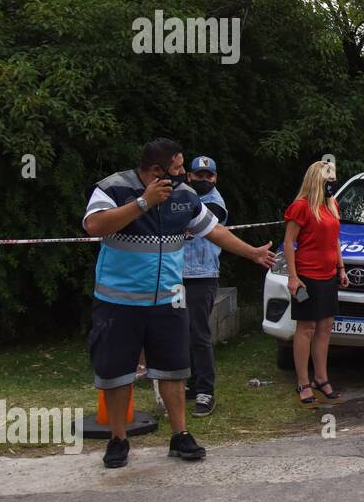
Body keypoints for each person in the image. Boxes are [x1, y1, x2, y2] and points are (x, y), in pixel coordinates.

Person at [83, 139, 275, 468]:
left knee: (173, 370)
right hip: (119, 302)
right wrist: (143, 203)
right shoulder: (112, 188)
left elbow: (214, 231)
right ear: (156, 171)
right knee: (117, 373)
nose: (184, 173)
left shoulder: (184, 196)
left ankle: (180, 435)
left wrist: (253, 253)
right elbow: (94, 226)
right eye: (177, 168)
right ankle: (118, 439)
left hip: (168, 301)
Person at [284, 160, 348, 406]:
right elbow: (289, 242)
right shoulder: (301, 207)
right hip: (307, 275)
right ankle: (302, 381)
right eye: (328, 179)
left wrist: (341, 268)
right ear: (316, 179)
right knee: (306, 328)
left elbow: (335, 240)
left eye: (333, 179)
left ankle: (321, 378)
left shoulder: (332, 205)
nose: (332, 183)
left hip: (328, 275)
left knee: (325, 327)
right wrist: (293, 276)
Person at [182, 155, 226, 417]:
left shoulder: (215, 203)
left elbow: (198, 220)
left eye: (208, 176)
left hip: (203, 276)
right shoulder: (184, 196)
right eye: (199, 176)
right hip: (178, 274)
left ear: (215, 178)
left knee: (199, 334)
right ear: (190, 176)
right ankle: (191, 383)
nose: (204, 180)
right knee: (181, 333)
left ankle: (205, 392)